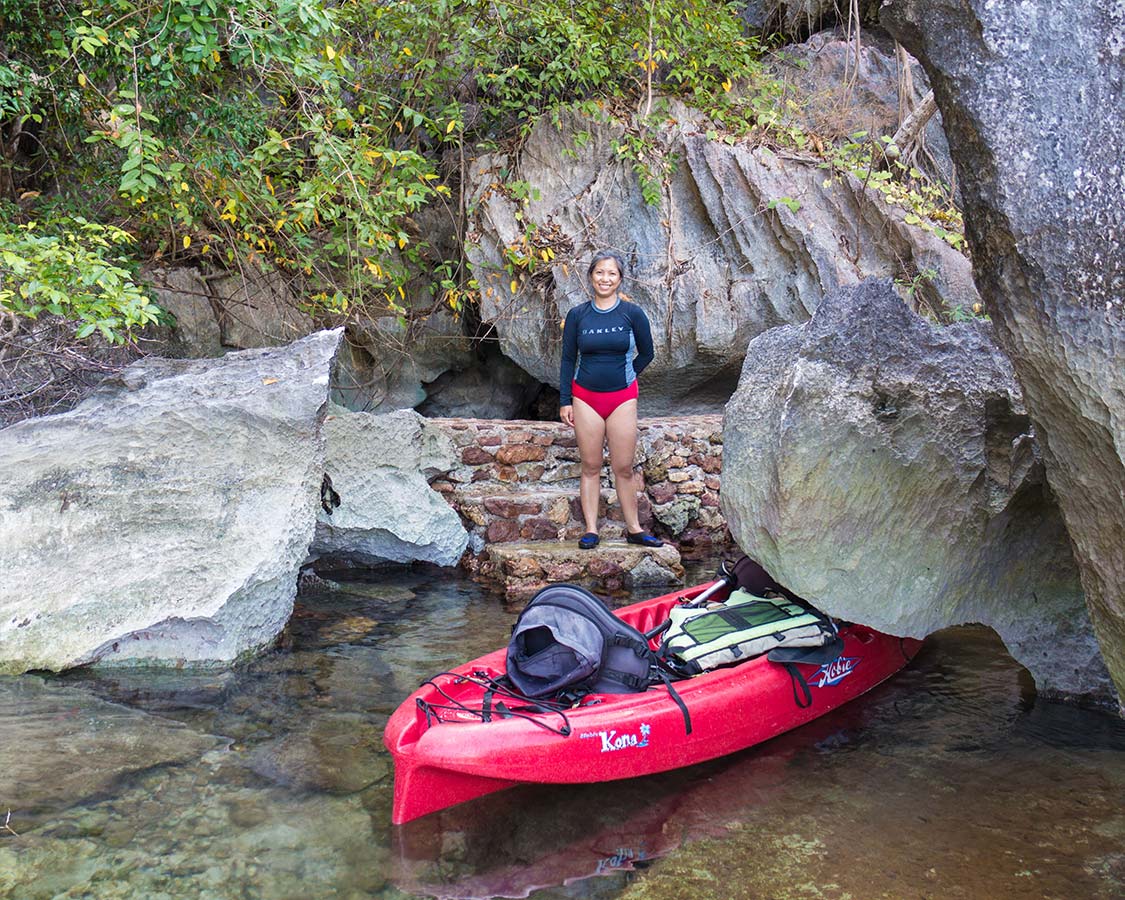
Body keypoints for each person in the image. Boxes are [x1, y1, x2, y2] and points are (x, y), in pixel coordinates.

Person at [559, 250, 664, 550]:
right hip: (585, 397)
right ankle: (591, 529)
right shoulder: (578, 315)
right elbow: (568, 359)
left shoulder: (632, 314)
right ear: (591, 276)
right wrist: (565, 399)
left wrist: (629, 374)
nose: (605, 278)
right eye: (599, 273)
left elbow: (647, 353)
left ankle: (634, 528)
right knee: (590, 465)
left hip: (622, 398)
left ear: (620, 278)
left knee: (623, 467)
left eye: (611, 274)